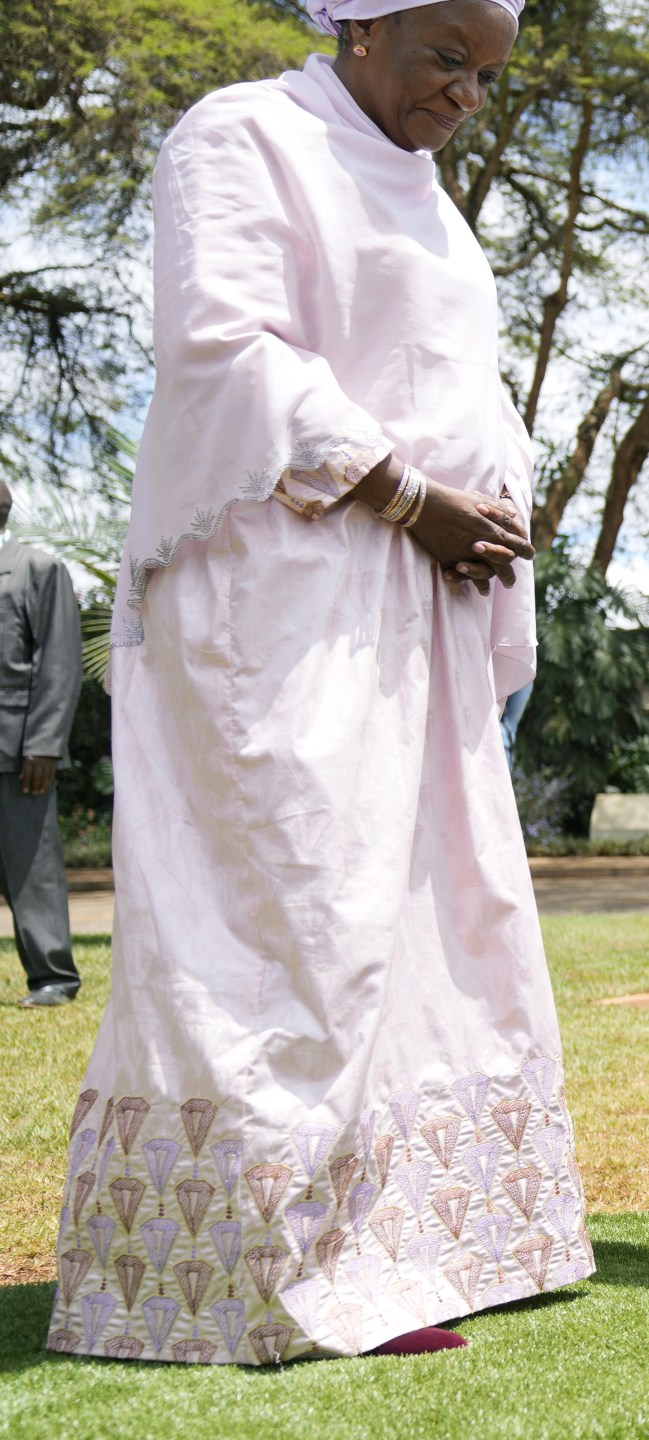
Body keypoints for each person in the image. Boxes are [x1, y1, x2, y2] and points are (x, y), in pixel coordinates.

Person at [44, 0, 589, 1366]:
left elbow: (451, 373)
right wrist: (412, 496)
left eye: (487, 74)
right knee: (304, 917)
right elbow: (223, 351)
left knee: (425, 924)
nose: (467, 95)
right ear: (358, 27)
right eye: (444, 59)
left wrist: (491, 516)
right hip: (281, 608)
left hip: (419, 610)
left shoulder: (431, 196)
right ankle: (283, 1270)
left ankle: (419, 1241)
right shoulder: (239, 137)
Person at [0, 483, 83, 1010]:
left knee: (32, 866)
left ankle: (52, 977)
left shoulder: (36, 569)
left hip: (16, 747)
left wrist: (46, 743)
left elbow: (59, 661)